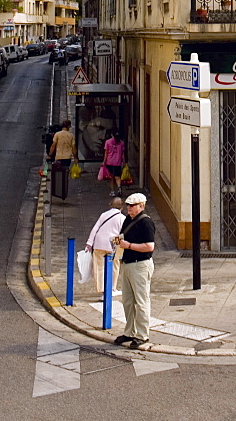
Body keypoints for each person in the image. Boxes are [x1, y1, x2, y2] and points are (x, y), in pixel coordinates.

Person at [114, 193, 156, 350]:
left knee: (141, 300)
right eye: (128, 205)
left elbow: (149, 246)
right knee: (128, 301)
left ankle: (142, 334)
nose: (129, 208)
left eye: (132, 205)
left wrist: (129, 245)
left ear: (141, 206)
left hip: (140, 265)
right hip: (127, 263)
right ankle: (130, 332)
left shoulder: (146, 223)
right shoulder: (127, 219)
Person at [86, 197, 125, 297]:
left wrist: (89, 243)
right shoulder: (122, 218)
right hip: (113, 244)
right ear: (122, 207)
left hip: (99, 243)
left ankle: (102, 290)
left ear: (110, 205)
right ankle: (112, 288)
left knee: (99, 267)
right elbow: (122, 234)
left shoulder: (104, 215)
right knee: (114, 266)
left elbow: (95, 228)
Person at [103, 131, 125, 197]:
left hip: (109, 162)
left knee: (111, 177)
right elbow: (122, 154)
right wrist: (124, 161)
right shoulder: (121, 143)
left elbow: (106, 153)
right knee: (117, 177)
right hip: (118, 162)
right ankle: (119, 187)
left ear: (112, 135)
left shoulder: (108, 142)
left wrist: (104, 162)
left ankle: (112, 192)